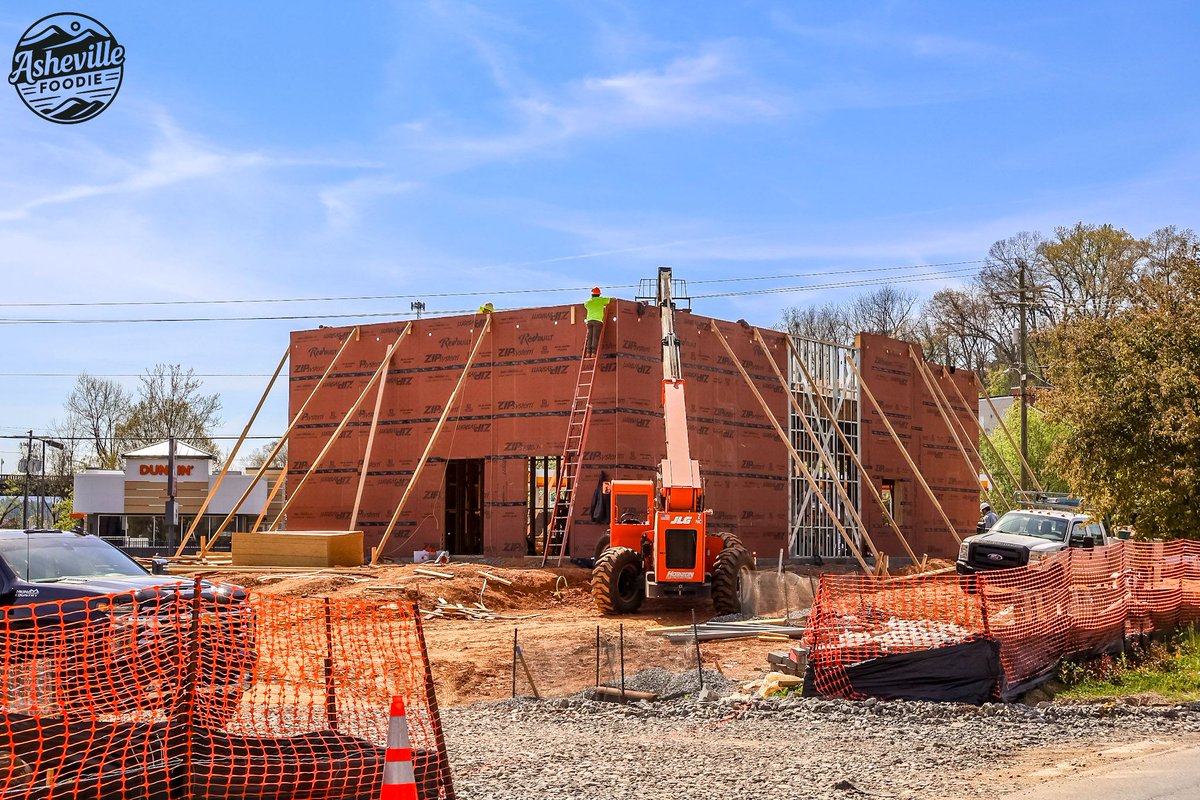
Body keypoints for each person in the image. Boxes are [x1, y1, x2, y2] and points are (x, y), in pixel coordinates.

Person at [583, 287, 611, 356]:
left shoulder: (588, 302)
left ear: (592, 295)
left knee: (589, 337)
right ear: (599, 294)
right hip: (598, 321)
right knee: (595, 337)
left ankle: (588, 352)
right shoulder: (601, 300)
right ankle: (593, 352)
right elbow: (610, 300)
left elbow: (585, 305)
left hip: (589, 321)